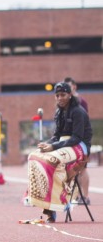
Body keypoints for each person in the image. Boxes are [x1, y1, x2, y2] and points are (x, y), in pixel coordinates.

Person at [26, 81, 92, 223]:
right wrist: (47, 144)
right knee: (34, 156)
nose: (60, 98)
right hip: (65, 145)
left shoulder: (78, 112)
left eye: (63, 94)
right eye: (57, 95)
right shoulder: (59, 112)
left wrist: (54, 147)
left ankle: (60, 201)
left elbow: (76, 138)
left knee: (52, 160)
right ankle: (45, 204)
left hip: (80, 147)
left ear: (69, 95)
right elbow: (56, 136)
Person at [64, 76, 91, 205]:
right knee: (73, 169)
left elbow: (83, 122)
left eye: (69, 86)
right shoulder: (64, 103)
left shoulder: (81, 102)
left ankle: (85, 196)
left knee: (83, 168)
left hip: (82, 140)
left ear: (74, 87)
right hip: (71, 140)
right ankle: (76, 195)